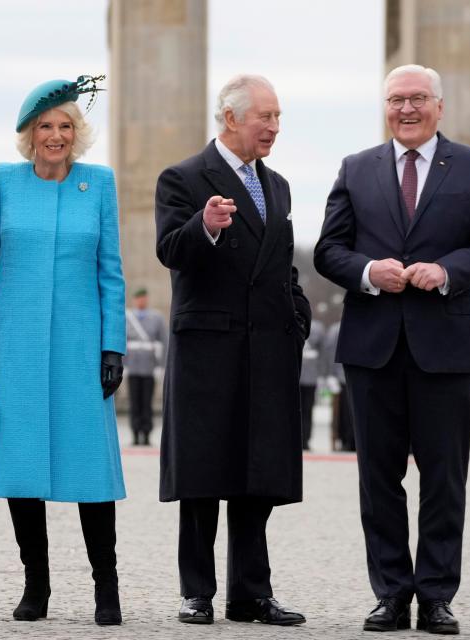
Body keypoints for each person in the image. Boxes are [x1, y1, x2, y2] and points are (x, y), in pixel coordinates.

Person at [314, 64, 470, 634]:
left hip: (444, 345)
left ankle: (435, 596)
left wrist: (448, 270)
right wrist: (371, 271)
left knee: (444, 477)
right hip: (371, 347)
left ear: (439, 106)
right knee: (377, 478)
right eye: (396, 99)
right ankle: (391, 594)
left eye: (417, 99)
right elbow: (330, 250)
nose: (406, 109)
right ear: (385, 107)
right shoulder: (356, 169)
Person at [0, 75, 126, 626]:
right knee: (22, 463)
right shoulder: (4, 183)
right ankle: (38, 585)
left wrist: (113, 346)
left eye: (64, 126)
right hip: (17, 345)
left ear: (76, 134)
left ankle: (107, 587)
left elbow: (111, 273)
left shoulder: (98, 184)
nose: (55, 136)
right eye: (44, 127)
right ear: (29, 135)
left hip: (81, 346)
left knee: (90, 468)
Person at [155, 74, 310, 626]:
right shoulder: (183, 177)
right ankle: (196, 591)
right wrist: (206, 226)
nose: (272, 127)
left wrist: (298, 315)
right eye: (263, 117)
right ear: (230, 119)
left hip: (268, 347)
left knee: (257, 474)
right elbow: (170, 251)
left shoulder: (281, 185)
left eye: (277, 117)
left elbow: (281, 263)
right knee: (203, 476)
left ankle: (251, 593)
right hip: (208, 349)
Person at [123, 287, 167, 446]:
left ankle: (147, 433)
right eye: (138, 298)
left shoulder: (157, 318)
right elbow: (122, 342)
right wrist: (123, 364)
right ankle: (135, 433)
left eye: (143, 298)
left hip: (149, 366)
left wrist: (160, 366)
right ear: (135, 300)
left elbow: (164, 341)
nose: (141, 301)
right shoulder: (127, 317)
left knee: (147, 402)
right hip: (133, 366)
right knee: (134, 402)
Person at [322, 319, 355, 452]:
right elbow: (330, 354)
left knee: (349, 414)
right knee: (345, 414)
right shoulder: (336, 329)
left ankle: (350, 442)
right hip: (342, 377)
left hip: (349, 375)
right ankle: (348, 441)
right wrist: (330, 375)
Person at [299, 318, 326, 451]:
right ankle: (304, 440)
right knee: (306, 410)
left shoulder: (317, 328)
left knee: (304, 410)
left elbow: (323, 353)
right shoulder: (318, 328)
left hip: (307, 375)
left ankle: (304, 440)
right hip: (308, 375)